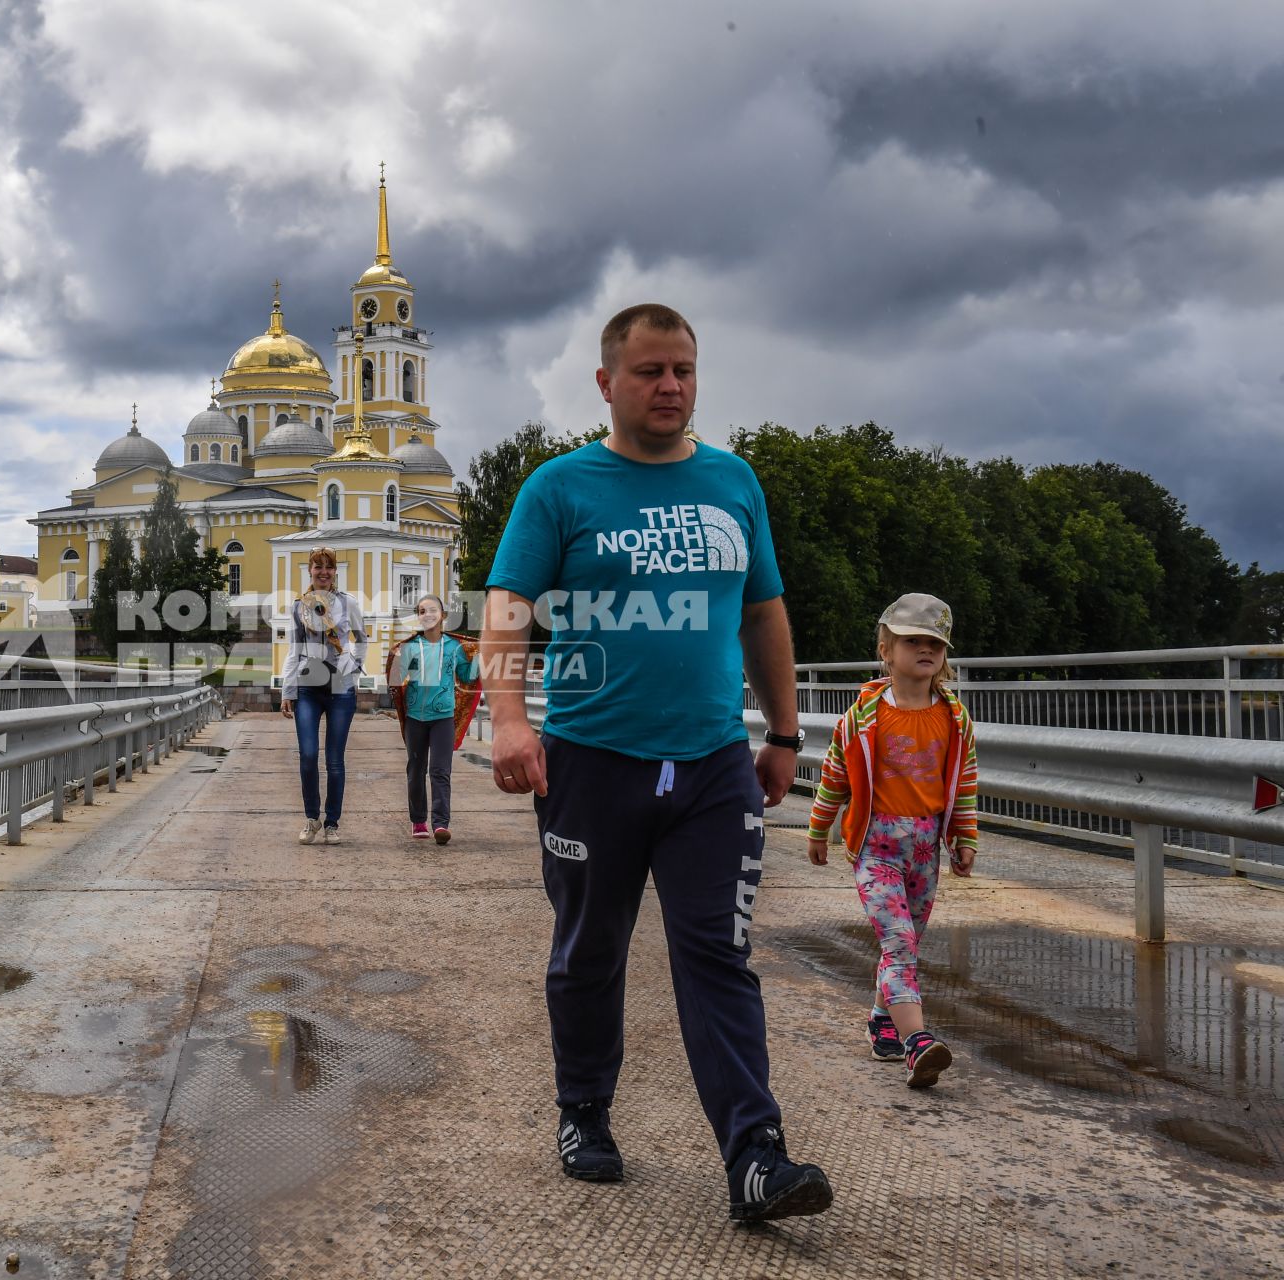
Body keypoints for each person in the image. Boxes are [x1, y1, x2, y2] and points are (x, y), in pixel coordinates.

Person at [483, 302, 832, 1222]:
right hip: (592, 763)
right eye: (649, 371)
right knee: (591, 950)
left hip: (714, 763)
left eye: (682, 369)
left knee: (719, 952)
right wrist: (511, 721)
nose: (670, 385)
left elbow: (764, 613)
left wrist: (785, 734)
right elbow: (511, 603)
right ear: (607, 383)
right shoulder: (561, 488)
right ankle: (584, 1111)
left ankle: (756, 1154)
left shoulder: (733, 482)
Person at [807, 593, 979, 1087]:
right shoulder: (862, 718)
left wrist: (964, 837)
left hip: (925, 849)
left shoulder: (955, 718)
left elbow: (963, 781)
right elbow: (834, 776)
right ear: (886, 649)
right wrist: (819, 828)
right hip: (875, 845)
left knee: (905, 942)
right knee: (899, 941)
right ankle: (917, 1042)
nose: (925, 650)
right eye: (912, 641)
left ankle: (883, 1020)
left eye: (935, 643)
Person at [280, 547, 367, 845]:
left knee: (334, 760)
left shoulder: (348, 603)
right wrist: (287, 691)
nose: (323, 572)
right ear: (310, 571)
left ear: (335, 572)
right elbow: (294, 650)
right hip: (308, 688)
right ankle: (311, 818)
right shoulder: (298, 607)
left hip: (341, 689)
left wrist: (354, 668)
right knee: (307, 755)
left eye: (328, 567)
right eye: (318, 567)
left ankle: (332, 823)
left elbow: (362, 639)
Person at [389, 593, 480, 844]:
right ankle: (419, 821)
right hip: (416, 719)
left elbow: (467, 677)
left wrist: (480, 659)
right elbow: (396, 682)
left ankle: (441, 824)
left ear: (443, 616)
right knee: (416, 771)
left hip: (443, 718)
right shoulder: (408, 647)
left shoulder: (454, 647)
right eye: (421, 611)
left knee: (440, 771)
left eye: (432, 610)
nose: (427, 615)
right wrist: (395, 664)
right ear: (418, 617)